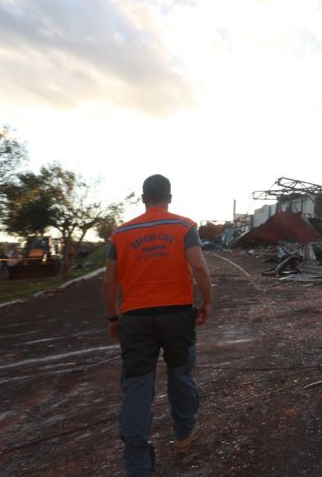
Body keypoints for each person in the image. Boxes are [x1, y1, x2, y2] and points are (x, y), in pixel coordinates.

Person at [103, 174, 212, 476]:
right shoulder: (184, 226)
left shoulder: (120, 234)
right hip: (177, 315)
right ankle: (184, 435)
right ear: (170, 198)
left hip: (135, 318)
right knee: (180, 375)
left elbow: (110, 280)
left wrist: (113, 318)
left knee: (137, 385)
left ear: (142, 198)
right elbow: (200, 266)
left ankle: (137, 462)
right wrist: (208, 302)